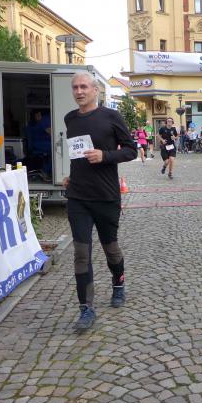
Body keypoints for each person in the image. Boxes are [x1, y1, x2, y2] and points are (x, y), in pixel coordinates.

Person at [63, 71, 137, 331]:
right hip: (78, 196)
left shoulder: (111, 117)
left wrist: (105, 156)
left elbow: (131, 150)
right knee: (81, 253)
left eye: (84, 87)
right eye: (75, 87)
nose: (79, 91)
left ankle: (118, 283)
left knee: (110, 248)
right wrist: (71, 176)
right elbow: (77, 154)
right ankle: (86, 309)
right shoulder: (70, 119)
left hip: (106, 196)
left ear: (95, 90)